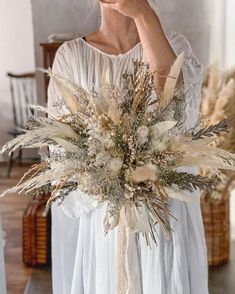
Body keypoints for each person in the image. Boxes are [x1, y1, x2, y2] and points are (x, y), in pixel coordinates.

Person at [48, 0, 209, 293]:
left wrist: (143, 14)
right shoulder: (71, 56)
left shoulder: (173, 45)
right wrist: (116, 178)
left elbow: (179, 117)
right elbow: (63, 156)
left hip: (163, 218)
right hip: (106, 226)